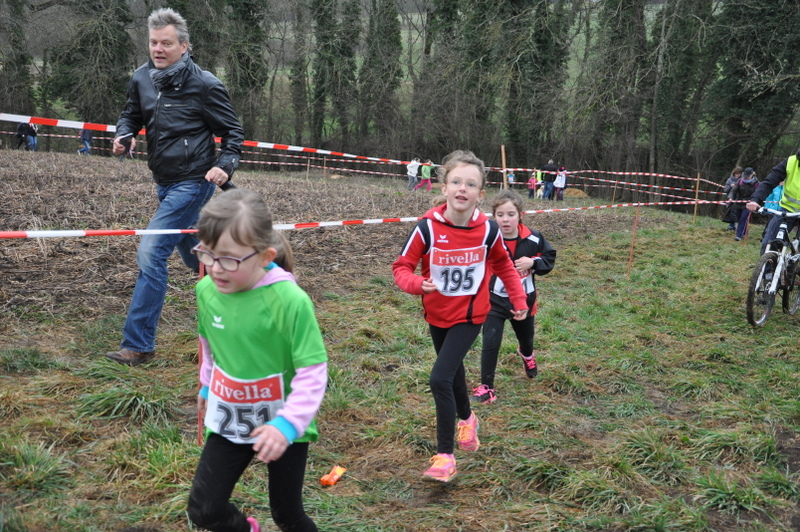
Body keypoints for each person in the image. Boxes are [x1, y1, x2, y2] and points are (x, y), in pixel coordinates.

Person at [104, 8, 244, 366]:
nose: (158, 49)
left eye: (166, 43)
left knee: (151, 252)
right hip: (163, 181)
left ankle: (138, 345)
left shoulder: (205, 85)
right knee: (195, 255)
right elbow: (131, 114)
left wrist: (224, 166)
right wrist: (124, 135)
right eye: (153, 42)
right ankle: (244, 292)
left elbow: (233, 133)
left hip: (194, 182)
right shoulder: (142, 78)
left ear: (184, 46)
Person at [188, 189, 326, 532]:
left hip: (283, 421)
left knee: (287, 515)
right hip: (229, 416)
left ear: (265, 257)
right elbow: (210, 344)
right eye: (207, 254)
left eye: (229, 259)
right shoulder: (206, 290)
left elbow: (313, 370)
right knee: (204, 509)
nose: (215, 268)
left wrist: (288, 424)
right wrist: (206, 386)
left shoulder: (290, 301)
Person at [392, 150, 528, 482]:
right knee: (452, 373)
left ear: (480, 194)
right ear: (444, 188)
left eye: (470, 184)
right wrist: (417, 284)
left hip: (471, 316)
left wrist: (518, 298)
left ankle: (445, 457)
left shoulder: (488, 231)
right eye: (456, 182)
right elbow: (401, 267)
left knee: (439, 378)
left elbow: (503, 265)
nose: (462, 188)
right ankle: (468, 419)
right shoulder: (426, 228)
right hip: (436, 314)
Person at [473, 190, 556, 405]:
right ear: (493, 216)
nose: (505, 220)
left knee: (526, 340)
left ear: (520, 215)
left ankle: (527, 355)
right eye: (500, 215)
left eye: (510, 214)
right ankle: (487, 386)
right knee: (490, 343)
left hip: (524, 302)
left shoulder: (534, 238)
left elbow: (549, 258)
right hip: (494, 301)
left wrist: (533, 263)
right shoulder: (488, 238)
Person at [747, 152, 800, 255]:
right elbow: (769, 182)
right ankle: (767, 265)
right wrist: (755, 199)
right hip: (788, 209)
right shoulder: (791, 162)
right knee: (769, 243)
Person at [728, 167, 759, 242]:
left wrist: (754, 201)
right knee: (739, 218)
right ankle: (745, 232)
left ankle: (739, 235)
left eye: (748, 176)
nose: (746, 177)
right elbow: (733, 190)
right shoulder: (740, 181)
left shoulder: (756, 183)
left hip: (749, 204)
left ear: (751, 175)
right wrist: (730, 197)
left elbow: (758, 193)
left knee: (744, 218)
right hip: (739, 203)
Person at [722, 166, 743, 231]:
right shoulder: (729, 180)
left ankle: (739, 227)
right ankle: (731, 226)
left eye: (739, 174)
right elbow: (725, 190)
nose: (737, 175)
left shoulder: (742, 180)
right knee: (731, 213)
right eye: (736, 173)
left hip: (739, 199)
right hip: (731, 198)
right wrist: (730, 186)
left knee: (738, 213)